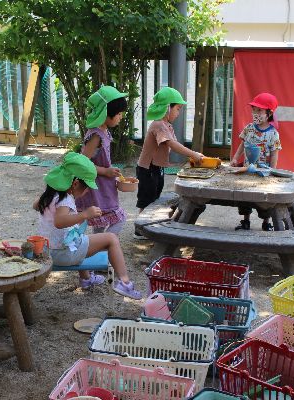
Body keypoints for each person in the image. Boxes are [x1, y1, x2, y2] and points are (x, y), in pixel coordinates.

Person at [34, 152, 142, 299]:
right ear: (75, 183)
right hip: (63, 254)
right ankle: (125, 282)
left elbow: (36, 206)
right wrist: (84, 214)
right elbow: (59, 222)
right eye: (86, 188)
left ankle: (86, 279)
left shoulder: (49, 195)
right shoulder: (65, 199)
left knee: (80, 237)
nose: (87, 192)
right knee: (111, 239)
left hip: (47, 250)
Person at [134, 87, 205, 239]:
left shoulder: (167, 125)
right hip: (147, 168)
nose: (178, 113)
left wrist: (190, 156)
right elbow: (172, 144)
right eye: (177, 109)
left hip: (156, 167)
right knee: (147, 199)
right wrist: (193, 154)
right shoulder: (158, 125)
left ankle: (148, 225)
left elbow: (174, 144)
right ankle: (140, 230)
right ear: (167, 108)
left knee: (155, 196)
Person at [76, 85, 128, 235]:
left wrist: (111, 173)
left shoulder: (104, 131)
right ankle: (106, 244)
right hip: (96, 186)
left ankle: (98, 246)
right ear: (106, 112)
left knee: (100, 221)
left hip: (104, 185)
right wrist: (105, 171)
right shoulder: (96, 136)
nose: (121, 117)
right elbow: (82, 163)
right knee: (119, 218)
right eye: (118, 113)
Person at [230, 92, 282, 231]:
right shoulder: (249, 128)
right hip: (247, 170)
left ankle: (266, 222)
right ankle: (245, 221)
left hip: (263, 173)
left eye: (259, 110)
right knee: (245, 197)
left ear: (269, 113)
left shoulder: (273, 133)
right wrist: (235, 158)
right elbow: (242, 144)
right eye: (254, 110)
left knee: (265, 199)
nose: (255, 113)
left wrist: (272, 170)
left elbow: (275, 153)